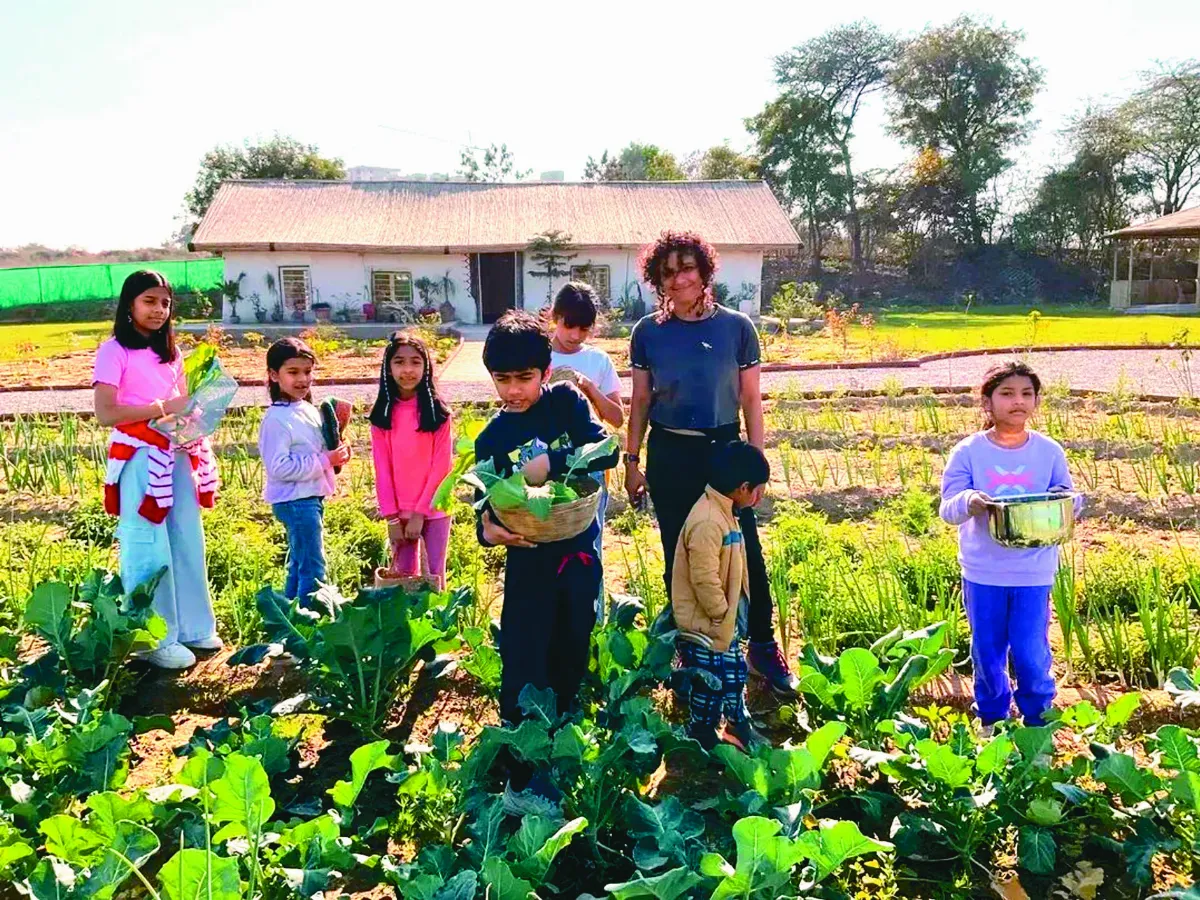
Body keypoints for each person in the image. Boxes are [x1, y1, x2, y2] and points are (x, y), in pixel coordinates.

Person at [624, 230, 798, 697]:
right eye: (667, 272)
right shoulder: (648, 333)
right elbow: (640, 399)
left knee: (746, 552)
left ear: (704, 272)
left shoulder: (737, 327)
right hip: (670, 453)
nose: (678, 278)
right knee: (679, 553)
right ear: (657, 281)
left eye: (686, 268)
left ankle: (761, 645)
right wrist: (631, 460)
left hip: (723, 452)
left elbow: (750, 399)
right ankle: (692, 649)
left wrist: (755, 464)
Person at [474, 311, 619, 736]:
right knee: (524, 641)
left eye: (525, 377)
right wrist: (486, 530)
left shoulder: (566, 403)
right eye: (503, 380)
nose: (514, 390)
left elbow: (606, 449)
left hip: (576, 545)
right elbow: (482, 498)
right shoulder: (492, 437)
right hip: (529, 554)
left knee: (574, 631)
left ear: (546, 372)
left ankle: (565, 712)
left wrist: (553, 462)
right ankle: (519, 731)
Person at [939, 361, 1082, 733]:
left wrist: (1064, 500)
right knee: (987, 651)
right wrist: (970, 501)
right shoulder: (969, 452)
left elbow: (1069, 500)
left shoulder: (1048, 451)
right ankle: (991, 719)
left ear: (1035, 401)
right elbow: (948, 508)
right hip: (984, 571)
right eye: (1006, 394)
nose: (1017, 402)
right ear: (987, 402)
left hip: (1034, 570)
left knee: (1031, 651)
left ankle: (1038, 724)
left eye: (1026, 394)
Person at [93, 270, 222, 669]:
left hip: (176, 452)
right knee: (148, 543)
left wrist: (193, 416)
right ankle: (153, 638)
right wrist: (164, 408)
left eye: (165, 303)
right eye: (149, 301)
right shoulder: (113, 350)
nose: (159, 310)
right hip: (138, 456)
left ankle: (193, 626)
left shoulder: (173, 354)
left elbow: (182, 404)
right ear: (129, 305)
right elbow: (105, 413)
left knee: (187, 537)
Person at [673, 441, 772, 751]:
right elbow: (704, 578)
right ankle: (701, 733)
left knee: (732, 674)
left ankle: (735, 725)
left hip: (720, 623)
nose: (759, 497)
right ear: (743, 488)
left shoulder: (723, 511)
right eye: (757, 491)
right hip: (707, 625)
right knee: (710, 682)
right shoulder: (707, 522)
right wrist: (719, 612)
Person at [549, 281, 623, 615]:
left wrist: (591, 389)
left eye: (584, 328)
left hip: (589, 465)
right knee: (546, 541)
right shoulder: (537, 354)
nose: (576, 335)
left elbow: (617, 418)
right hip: (543, 465)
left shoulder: (598, 360)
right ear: (555, 316)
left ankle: (593, 622)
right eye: (569, 325)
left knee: (589, 542)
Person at [258, 337, 351, 606]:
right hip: (295, 501)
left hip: (309, 497)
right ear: (274, 375)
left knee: (300, 563)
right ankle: (313, 622)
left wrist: (338, 454)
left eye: (308, 372)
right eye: (293, 372)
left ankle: (290, 618)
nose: (302, 379)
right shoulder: (276, 419)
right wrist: (324, 460)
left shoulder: (307, 409)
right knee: (313, 565)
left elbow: (320, 450)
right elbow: (279, 467)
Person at [369, 331, 454, 590]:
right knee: (402, 578)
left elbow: (441, 467)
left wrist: (420, 513)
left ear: (426, 367)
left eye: (415, 362)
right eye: (399, 362)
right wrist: (393, 518)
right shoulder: (382, 415)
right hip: (399, 513)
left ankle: (436, 627)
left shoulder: (438, 414)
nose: (408, 369)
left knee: (434, 576)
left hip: (434, 508)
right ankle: (405, 631)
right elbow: (382, 469)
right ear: (388, 367)